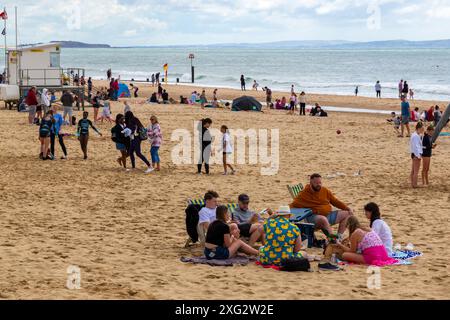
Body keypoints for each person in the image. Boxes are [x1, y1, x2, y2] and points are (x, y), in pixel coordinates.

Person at [290, 173, 353, 240]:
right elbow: (293, 205)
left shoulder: (325, 190)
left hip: (327, 215)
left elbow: (335, 201)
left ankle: (339, 237)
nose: (318, 185)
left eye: (320, 182)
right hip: (313, 218)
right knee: (323, 219)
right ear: (311, 183)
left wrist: (347, 208)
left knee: (348, 213)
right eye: (316, 183)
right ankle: (332, 240)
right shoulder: (304, 194)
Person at [410, 122, 425, 188]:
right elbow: (416, 147)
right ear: (419, 128)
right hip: (416, 154)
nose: (423, 130)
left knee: (413, 170)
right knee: (416, 171)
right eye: (422, 128)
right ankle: (415, 184)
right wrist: (418, 156)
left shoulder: (415, 135)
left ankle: (412, 183)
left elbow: (417, 146)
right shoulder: (416, 136)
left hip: (414, 154)